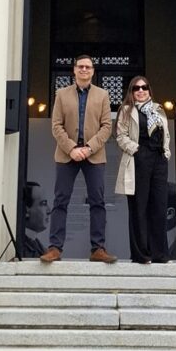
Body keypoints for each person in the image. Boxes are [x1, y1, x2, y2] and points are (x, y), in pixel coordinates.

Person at [42, 54, 116, 264]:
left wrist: (89, 148)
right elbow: (56, 125)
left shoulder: (103, 95)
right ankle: (55, 248)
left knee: (98, 202)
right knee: (60, 201)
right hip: (67, 154)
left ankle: (98, 249)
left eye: (88, 67)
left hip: (94, 156)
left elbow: (106, 126)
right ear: (74, 70)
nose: (84, 70)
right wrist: (72, 148)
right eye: (80, 67)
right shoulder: (61, 95)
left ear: (93, 71)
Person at [116, 75, 171, 265]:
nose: (140, 91)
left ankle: (160, 254)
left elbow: (166, 134)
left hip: (158, 160)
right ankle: (141, 254)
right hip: (139, 159)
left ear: (149, 90)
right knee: (139, 207)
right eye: (136, 88)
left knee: (159, 206)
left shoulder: (158, 109)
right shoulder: (126, 110)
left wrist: (166, 152)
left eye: (144, 87)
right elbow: (121, 136)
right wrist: (136, 149)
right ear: (131, 92)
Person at [21, 180, 49, 258]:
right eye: (43, 204)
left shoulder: (36, 243)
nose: (49, 211)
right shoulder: (20, 246)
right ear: (26, 210)